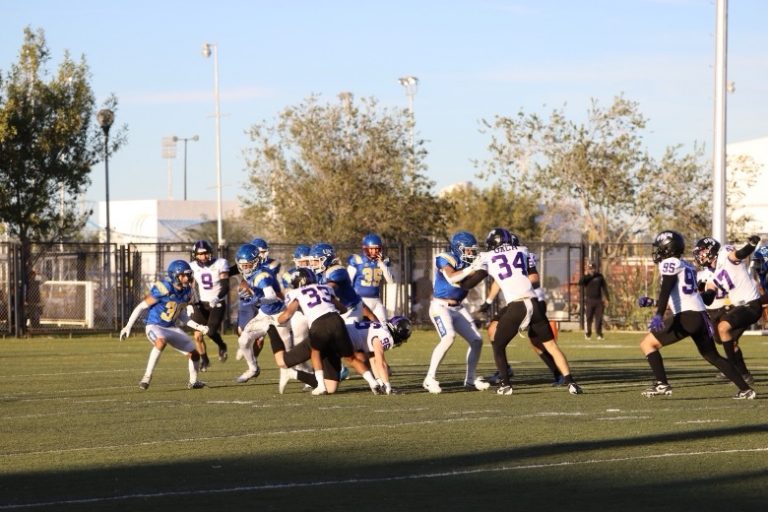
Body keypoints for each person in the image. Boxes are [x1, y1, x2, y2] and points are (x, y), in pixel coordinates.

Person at [636, 230, 755, 399]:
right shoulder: (687, 266)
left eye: (660, 247)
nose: (658, 251)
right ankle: (745, 389)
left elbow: (666, 289)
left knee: (647, 344)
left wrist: (659, 314)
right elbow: (683, 296)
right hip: (701, 317)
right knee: (712, 356)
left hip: (687, 316)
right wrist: (654, 303)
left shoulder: (669, 262)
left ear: (668, 248)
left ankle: (662, 384)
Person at [471, 228, 582, 395]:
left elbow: (534, 280)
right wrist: (488, 302)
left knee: (529, 343)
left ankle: (509, 381)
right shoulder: (518, 253)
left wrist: (519, 281)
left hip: (527, 301)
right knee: (495, 331)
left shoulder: (516, 255)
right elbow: (499, 281)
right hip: (525, 302)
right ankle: (569, 381)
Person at [275, 267, 381, 395]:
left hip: (319, 323)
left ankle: (321, 386)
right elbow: (342, 309)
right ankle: (373, 382)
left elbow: (286, 316)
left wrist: (277, 320)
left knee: (315, 352)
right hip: (336, 321)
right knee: (351, 358)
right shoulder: (325, 288)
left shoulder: (297, 293)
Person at [119, 260, 209, 390]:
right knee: (161, 341)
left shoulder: (187, 291)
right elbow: (141, 306)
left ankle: (193, 381)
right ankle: (147, 377)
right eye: (184, 275)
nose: (188, 278)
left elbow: (181, 315)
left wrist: (198, 327)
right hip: (154, 325)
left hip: (171, 328)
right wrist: (128, 326)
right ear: (175, 276)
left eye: (189, 274)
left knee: (194, 354)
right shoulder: (163, 288)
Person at [422, 231, 490, 394]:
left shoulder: (471, 262)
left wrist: (482, 267)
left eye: (473, 250)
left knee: (476, 340)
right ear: (458, 248)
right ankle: (429, 378)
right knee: (448, 337)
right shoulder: (445, 258)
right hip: (440, 306)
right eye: (468, 250)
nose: (471, 253)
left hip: (458, 307)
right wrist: (471, 268)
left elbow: (474, 278)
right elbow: (452, 278)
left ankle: (470, 380)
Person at [693, 235, 762, 384]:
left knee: (723, 327)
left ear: (711, 250)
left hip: (751, 304)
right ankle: (744, 374)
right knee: (729, 340)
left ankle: (733, 370)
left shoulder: (725, 254)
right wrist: (697, 296)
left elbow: (739, 254)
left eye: (702, 251)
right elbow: (709, 296)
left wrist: (751, 245)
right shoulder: (711, 273)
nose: (700, 255)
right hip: (740, 307)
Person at [233, 243, 291, 384]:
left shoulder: (261, 275)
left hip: (279, 314)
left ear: (255, 262)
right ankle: (253, 369)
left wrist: (257, 300)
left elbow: (272, 296)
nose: (244, 268)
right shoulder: (250, 274)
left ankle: (311, 376)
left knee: (289, 351)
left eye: (247, 265)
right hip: (264, 314)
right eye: (242, 265)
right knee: (243, 340)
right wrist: (250, 297)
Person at [188, 240, 230, 370]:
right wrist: (188, 302)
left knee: (211, 332)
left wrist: (217, 298)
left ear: (210, 252)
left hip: (217, 302)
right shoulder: (192, 267)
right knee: (198, 336)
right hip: (201, 303)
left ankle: (222, 345)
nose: (204, 256)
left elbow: (226, 286)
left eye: (206, 253)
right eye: (200, 254)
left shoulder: (220, 263)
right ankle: (205, 360)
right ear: (195, 255)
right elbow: (190, 286)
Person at [347, 233, 394, 322]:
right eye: (371, 249)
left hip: (376, 300)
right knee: (354, 324)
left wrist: (381, 264)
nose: (374, 251)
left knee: (383, 324)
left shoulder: (383, 262)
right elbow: (348, 282)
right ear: (365, 249)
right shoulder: (357, 260)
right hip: (360, 300)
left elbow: (390, 281)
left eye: (377, 249)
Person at [578, 262, 609, 340]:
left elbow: (604, 287)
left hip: (598, 301)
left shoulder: (599, 276)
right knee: (589, 318)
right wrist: (586, 275)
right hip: (589, 300)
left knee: (599, 318)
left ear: (595, 269)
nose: (592, 270)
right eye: (590, 269)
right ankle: (588, 334)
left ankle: (599, 334)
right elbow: (580, 283)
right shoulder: (586, 277)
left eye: (593, 268)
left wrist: (607, 299)